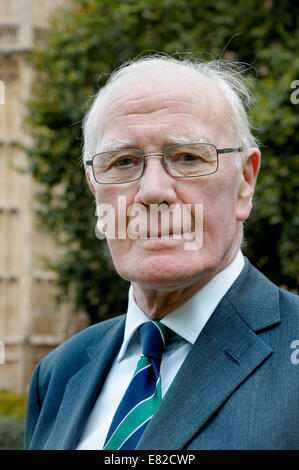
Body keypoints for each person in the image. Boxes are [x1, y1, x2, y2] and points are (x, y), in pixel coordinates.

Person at [24, 54, 299, 450]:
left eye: (188, 157)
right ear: (94, 189)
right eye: (123, 161)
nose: (153, 191)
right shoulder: (58, 374)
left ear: (245, 183)